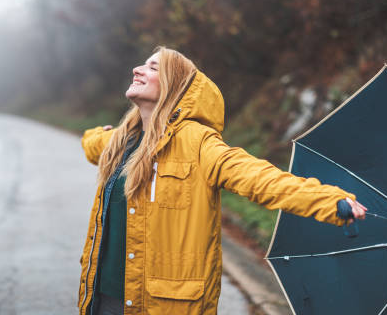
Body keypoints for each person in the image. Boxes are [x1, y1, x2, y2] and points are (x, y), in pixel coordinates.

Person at [78, 47, 367, 315]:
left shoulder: (197, 142)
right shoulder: (122, 138)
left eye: (153, 68)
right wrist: (92, 135)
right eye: (143, 64)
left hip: (162, 304)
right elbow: (94, 144)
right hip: (103, 297)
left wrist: (329, 201)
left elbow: (259, 177)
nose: (138, 69)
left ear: (173, 86)